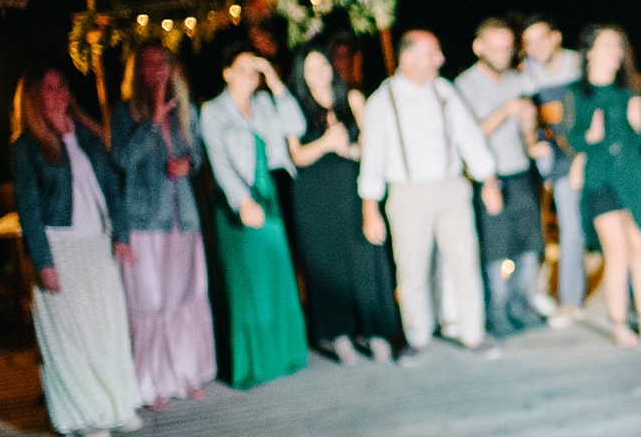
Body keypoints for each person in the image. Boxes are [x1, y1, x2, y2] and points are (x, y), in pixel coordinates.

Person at [11, 65, 143, 437]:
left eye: (61, 85)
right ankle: (80, 418)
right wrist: (43, 262)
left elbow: (109, 187)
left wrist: (121, 234)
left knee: (107, 327)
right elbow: (29, 208)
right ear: (33, 97)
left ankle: (116, 405)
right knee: (71, 337)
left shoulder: (85, 134)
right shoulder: (26, 146)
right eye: (47, 87)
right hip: (60, 248)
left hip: (96, 243)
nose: (57, 93)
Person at [357, 29, 504, 362]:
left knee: (465, 262)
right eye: (432, 53)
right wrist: (370, 208)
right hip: (407, 193)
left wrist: (489, 181)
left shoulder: (443, 91)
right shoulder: (383, 100)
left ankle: (473, 333)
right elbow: (373, 158)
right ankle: (416, 336)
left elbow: (470, 138)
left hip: (451, 188)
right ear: (408, 58)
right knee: (411, 269)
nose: (440, 59)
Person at [109, 40, 216, 408]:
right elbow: (122, 159)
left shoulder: (187, 110)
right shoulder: (125, 113)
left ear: (171, 68)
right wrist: (152, 123)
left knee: (183, 298)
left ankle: (186, 373)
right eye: (148, 64)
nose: (156, 70)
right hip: (144, 221)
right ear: (137, 70)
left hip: (182, 217)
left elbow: (198, 154)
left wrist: (189, 164)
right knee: (150, 302)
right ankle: (152, 383)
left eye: (162, 63)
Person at [199, 43, 310, 389]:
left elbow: (297, 124)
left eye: (255, 69)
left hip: (271, 196)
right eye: (243, 68)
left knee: (277, 278)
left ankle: (286, 355)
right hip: (239, 205)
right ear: (226, 72)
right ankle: (255, 364)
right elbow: (218, 161)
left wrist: (275, 80)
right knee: (250, 285)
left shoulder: (263, 103)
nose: (251, 75)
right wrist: (241, 201)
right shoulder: (213, 111)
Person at [287, 44, 401, 364]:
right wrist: (326, 143)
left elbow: (372, 145)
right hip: (314, 195)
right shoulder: (294, 106)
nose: (319, 73)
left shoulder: (352, 98)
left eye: (322, 65)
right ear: (301, 75)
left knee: (365, 257)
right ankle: (338, 334)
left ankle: (375, 330)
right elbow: (296, 155)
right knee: (327, 263)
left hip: (352, 189)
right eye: (310, 68)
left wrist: (351, 149)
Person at [566, 24, 641, 346]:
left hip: (633, 176)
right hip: (600, 178)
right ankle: (620, 324)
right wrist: (587, 138)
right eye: (608, 45)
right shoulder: (576, 92)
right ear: (590, 51)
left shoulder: (631, 90)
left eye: (619, 45)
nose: (616, 52)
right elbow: (572, 137)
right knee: (616, 251)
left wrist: (638, 122)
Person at [454, 18, 545, 338]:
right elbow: (468, 135)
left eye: (508, 48)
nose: (504, 54)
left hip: (520, 170)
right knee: (496, 247)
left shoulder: (516, 80)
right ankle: (498, 312)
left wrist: (529, 125)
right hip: (487, 177)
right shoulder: (463, 85)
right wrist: (505, 111)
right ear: (479, 48)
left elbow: (528, 131)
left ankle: (524, 305)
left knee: (530, 241)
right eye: (497, 48)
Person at [520, 13, 586, 326]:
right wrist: (532, 141)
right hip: (560, 162)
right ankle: (571, 302)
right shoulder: (528, 75)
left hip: (592, 155)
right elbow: (524, 112)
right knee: (570, 232)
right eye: (529, 42)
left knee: (611, 227)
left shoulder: (578, 65)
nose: (536, 46)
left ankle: (624, 301)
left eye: (541, 38)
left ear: (556, 37)